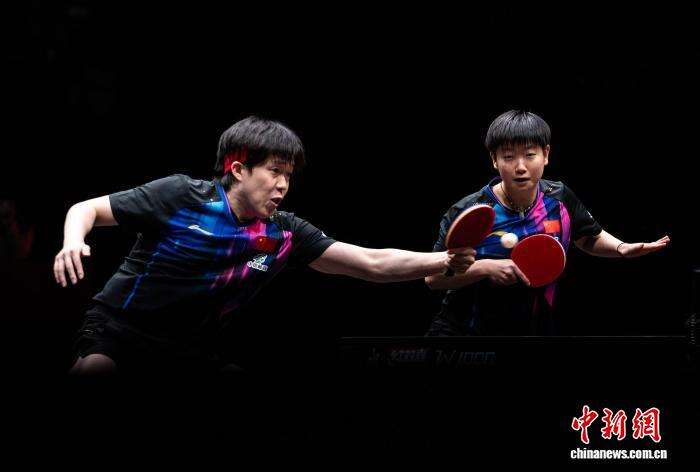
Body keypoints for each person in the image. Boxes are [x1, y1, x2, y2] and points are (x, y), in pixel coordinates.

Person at [54, 116, 475, 376]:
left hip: (188, 348)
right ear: (238, 169)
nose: (283, 185)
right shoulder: (182, 196)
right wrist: (73, 241)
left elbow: (370, 262)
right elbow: (86, 209)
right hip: (119, 330)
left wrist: (444, 259)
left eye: (288, 175)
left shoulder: (284, 233)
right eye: (274, 171)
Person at [425, 110, 669, 336]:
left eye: (530, 155)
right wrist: (485, 267)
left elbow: (587, 237)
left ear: (546, 155)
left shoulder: (559, 198)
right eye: (508, 156)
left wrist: (620, 248)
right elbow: (434, 279)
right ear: (494, 160)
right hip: (465, 333)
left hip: (533, 330)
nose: (520, 167)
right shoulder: (470, 211)